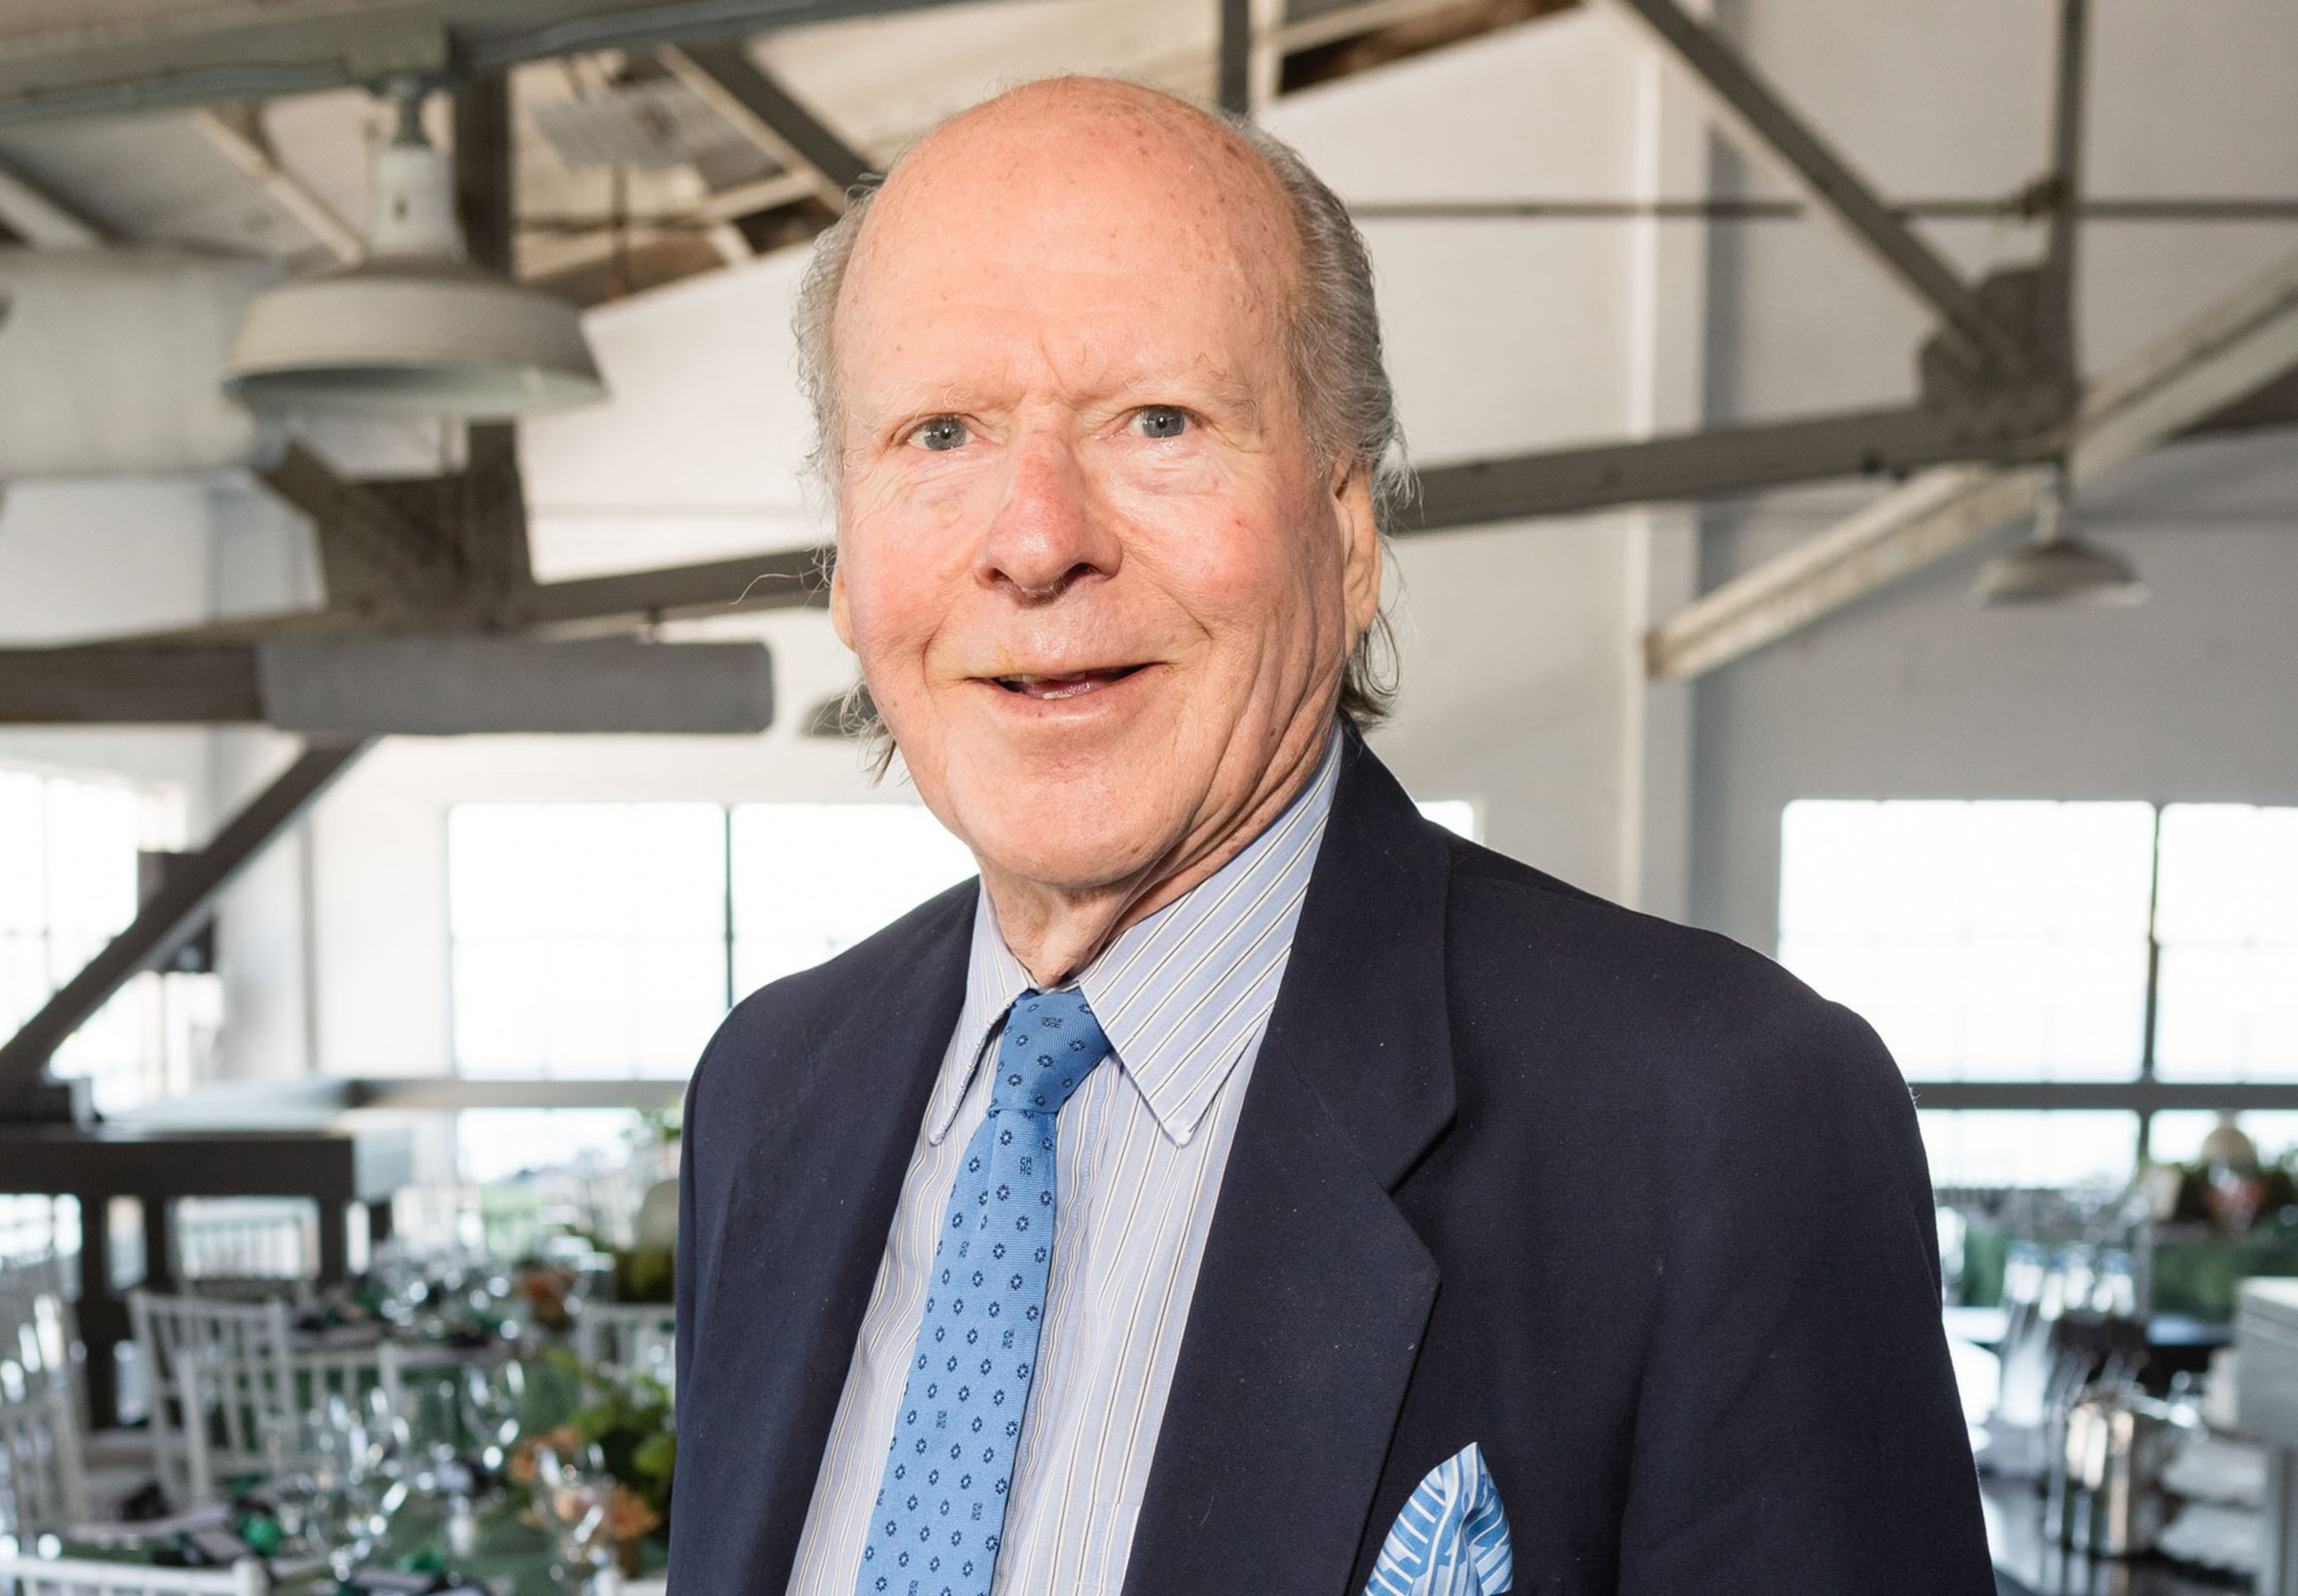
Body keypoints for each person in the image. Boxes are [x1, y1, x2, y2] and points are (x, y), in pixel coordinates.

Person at [670, 75, 1993, 1596]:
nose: (1034, 540)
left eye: (1157, 420)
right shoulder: (766, 1093)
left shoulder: (1713, 1119)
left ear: (1348, 529)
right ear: (847, 563)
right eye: (938, 433)